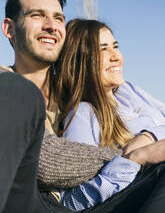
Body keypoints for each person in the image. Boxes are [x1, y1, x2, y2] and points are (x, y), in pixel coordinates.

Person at [1, 0, 165, 213]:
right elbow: (42, 158)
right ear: (9, 29)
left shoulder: (76, 95)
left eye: (58, 18)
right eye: (37, 15)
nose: (51, 25)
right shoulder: (6, 86)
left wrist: (148, 136)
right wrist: (127, 156)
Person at [54, 18, 165, 212]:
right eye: (103, 49)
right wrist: (136, 158)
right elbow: (71, 203)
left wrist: (149, 136)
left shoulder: (128, 92)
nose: (116, 56)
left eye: (115, 46)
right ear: (81, 61)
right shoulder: (83, 114)